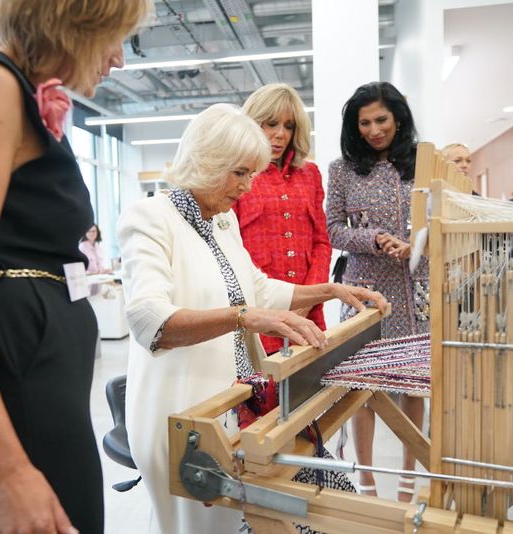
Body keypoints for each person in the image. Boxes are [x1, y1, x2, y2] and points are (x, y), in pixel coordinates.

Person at [0, 1, 151, 533]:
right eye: (115, 38)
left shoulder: (13, 96)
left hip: (41, 374)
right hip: (14, 371)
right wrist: (6, 470)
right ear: (77, 23)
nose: (117, 61)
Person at [118, 103, 388, 534]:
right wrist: (243, 317)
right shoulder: (150, 218)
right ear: (208, 162)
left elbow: (257, 289)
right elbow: (151, 320)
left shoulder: (221, 221)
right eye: (240, 173)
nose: (247, 187)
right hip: (185, 411)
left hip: (238, 404)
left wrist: (331, 289)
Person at [326, 82, 428, 502]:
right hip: (365, 291)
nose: (373, 129)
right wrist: (374, 238)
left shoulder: (425, 164)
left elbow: (442, 222)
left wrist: (416, 245)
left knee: (417, 383)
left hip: (417, 289)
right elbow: (334, 228)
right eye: (364, 122)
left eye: (381, 120)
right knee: (362, 385)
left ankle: (408, 477)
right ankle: (365, 478)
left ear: (398, 118)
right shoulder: (342, 169)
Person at [234, 83, 331, 354]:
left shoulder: (309, 174)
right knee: (262, 392)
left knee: (309, 391)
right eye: (271, 124)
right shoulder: (238, 175)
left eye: (288, 126)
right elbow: (231, 246)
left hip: (307, 314)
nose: (279, 135)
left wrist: (308, 299)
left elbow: (321, 243)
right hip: (258, 311)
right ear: (252, 124)